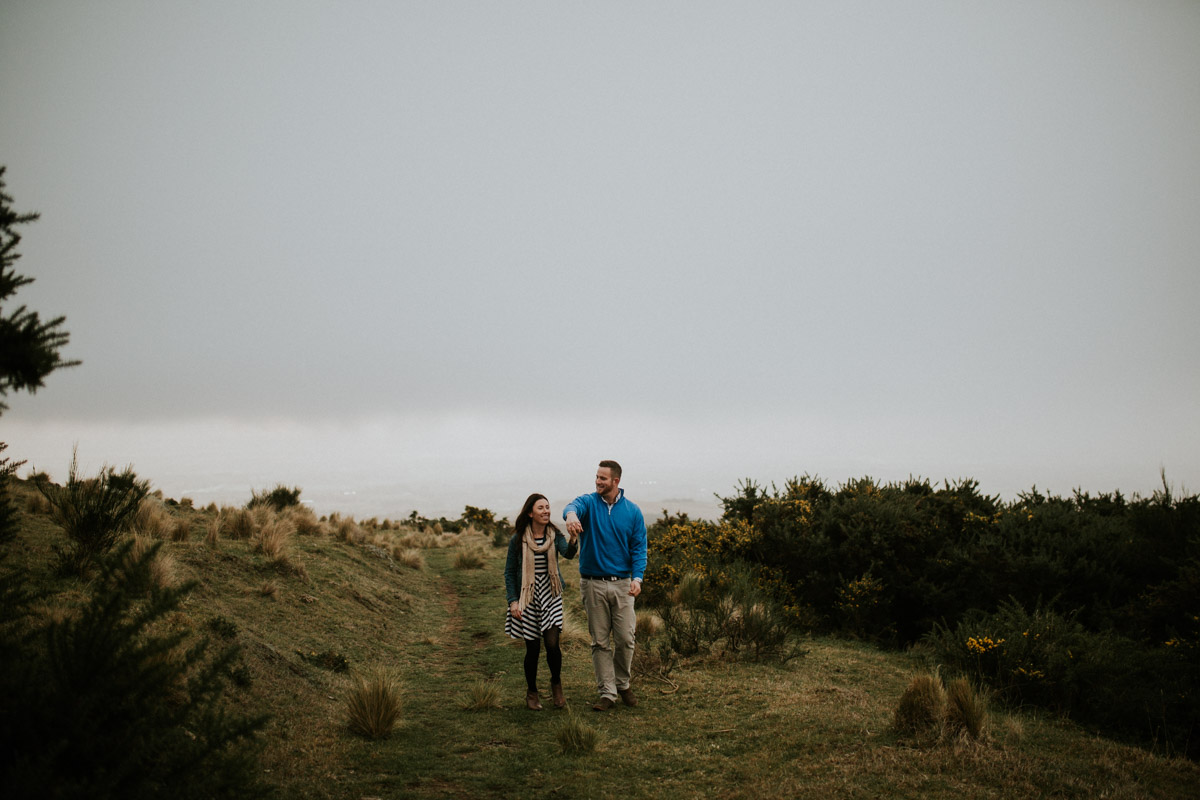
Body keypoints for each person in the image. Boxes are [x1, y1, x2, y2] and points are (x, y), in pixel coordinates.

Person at [563, 460, 648, 711]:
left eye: (603, 478)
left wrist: (638, 577)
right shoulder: (588, 503)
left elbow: (639, 548)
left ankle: (622, 684)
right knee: (599, 642)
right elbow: (572, 506)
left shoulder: (632, 511)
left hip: (623, 584)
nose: (598, 481)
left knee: (625, 639)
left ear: (616, 481)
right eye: (597, 477)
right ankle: (607, 693)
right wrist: (570, 516)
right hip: (592, 584)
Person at [504, 493, 578, 710]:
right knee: (533, 649)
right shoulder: (518, 539)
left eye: (547, 507)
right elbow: (509, 573)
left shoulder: (555, 535)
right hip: (527, 598)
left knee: (553, 646)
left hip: (551, 595)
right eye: (541, 508)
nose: (546, 511)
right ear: (530, 513)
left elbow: (568, 554)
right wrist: (513, 601)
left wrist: (573, 539)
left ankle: (556, 684)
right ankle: (532, 692)